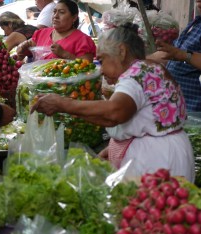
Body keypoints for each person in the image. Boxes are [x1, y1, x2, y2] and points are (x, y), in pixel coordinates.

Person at [30, 22, 195, 182]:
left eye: (102, 60)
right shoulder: (148, 69)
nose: (100, 70)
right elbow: (118, 118)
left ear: (121, 51)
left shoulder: (137, 74)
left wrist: (62, 104)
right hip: (168, 155)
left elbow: (114, 112)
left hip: (159, 162)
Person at [147, 0, 201, 112]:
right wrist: (138, 61)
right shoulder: (196, 23)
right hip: (178, 107)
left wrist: (182, 54)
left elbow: (179, 53)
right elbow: (171, 54)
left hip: (194, 109)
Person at [16, 0, 96, 62]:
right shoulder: (42, 33)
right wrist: (22, 48)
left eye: (61, 12)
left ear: (74, 17)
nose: (55, 16)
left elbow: (87, 69)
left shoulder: (83, 40)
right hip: (40, 81)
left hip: (66, 83)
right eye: (54, 12)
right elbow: (25, 53)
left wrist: (65, 54)